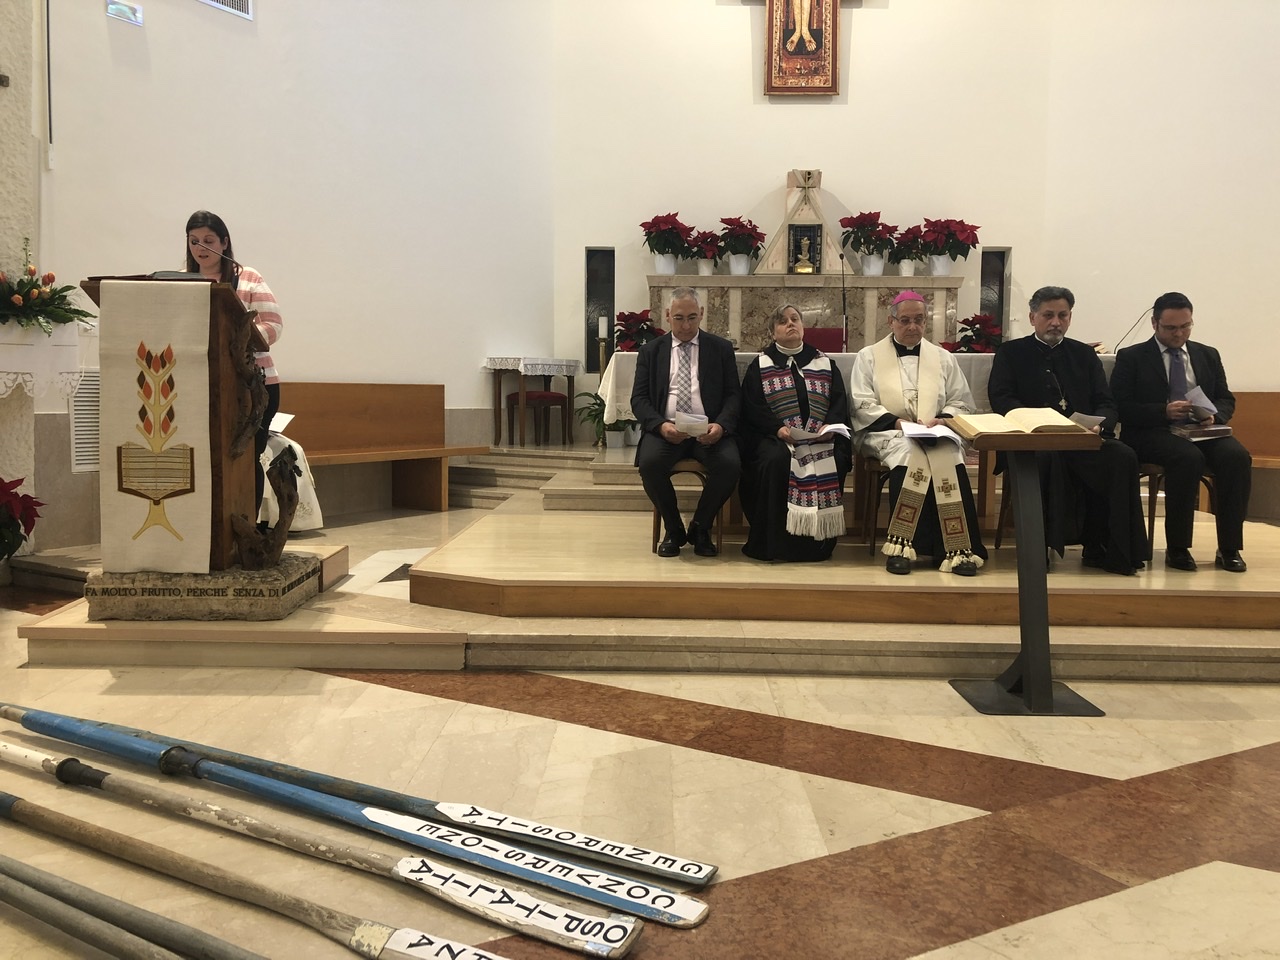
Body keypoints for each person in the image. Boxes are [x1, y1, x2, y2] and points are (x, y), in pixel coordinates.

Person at [987, 285, 1147, 575]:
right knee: (1043, 461)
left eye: (1063, 315)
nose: (1055, 322)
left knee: (1121, 456)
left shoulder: (1084, 355)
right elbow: (1002, 398)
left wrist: (1100, 425)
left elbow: (1106, 401)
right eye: (1048, 315)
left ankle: (1109, 549)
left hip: (1081, 441)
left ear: (1070, 318)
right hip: (1032, 442)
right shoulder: (1011, 353)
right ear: (1032, 317)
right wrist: (1031, 422)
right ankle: (1037, 550)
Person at [1111, 292, 1251, 573]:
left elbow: (1226, 398)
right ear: (1154, 324)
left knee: (1237, 457)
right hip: (1152, 431)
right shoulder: (1132, 357)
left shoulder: (1207, 354)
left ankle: (1229, 547)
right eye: (1171, 328)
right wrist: (1163, 411)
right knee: (1187, 458)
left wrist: (1214, 416)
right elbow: (1120, 406)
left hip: (1200, 430)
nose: (1179, 334)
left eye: (1185, 326)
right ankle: (1177, 547)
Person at [849, 291, 986, 575]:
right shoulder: (869, 357)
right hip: (889, 434)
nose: (913, 326)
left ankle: (956, 549)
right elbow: (862, 403)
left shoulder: (943, 358)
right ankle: (902, 547)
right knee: (910, 454)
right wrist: (897, 423)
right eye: (905, 320)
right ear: (891, 321)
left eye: (919, 320)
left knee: (950, 454)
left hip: (934, 431)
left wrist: (941, 420)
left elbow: (961, 402)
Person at [185, 210, 283, 515]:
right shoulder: (183, 282)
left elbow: (273, 325)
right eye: (194, 241)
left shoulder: (248, 278)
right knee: (207, 458)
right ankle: (212, 525)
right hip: (202, 384)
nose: (201, 248)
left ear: (224, 243)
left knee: (246, 457)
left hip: (254, 385)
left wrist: (237, 346)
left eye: (209, 240)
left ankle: (246, 524)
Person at [631, 287, 741, 558]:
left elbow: (733, 395)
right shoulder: (651, 351)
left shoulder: (720, 348)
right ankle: (673, 529)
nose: (686, 325)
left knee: (730, 465)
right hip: (667, 428)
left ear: (701, 314)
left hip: (708, 429)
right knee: (649, 464)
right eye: (679, 318)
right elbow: (639, 399)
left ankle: (701, 527)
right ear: (668, 315)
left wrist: (721, 426)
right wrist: (661, 426)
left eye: (692, 317)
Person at [738, 304, 851, 562]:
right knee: (776, 460)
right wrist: (777, 429)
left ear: (802, 327)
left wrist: (828, 428)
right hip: (775, 437)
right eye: (782, 321)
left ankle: (818, 545)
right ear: (772, 332)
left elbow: (838, 402)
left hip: (820, 438)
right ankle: (774, 544)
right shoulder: (760, 365)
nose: (790, 324)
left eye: (795, 319)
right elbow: (753, 407)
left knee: (835, 459)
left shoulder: (824, 363)